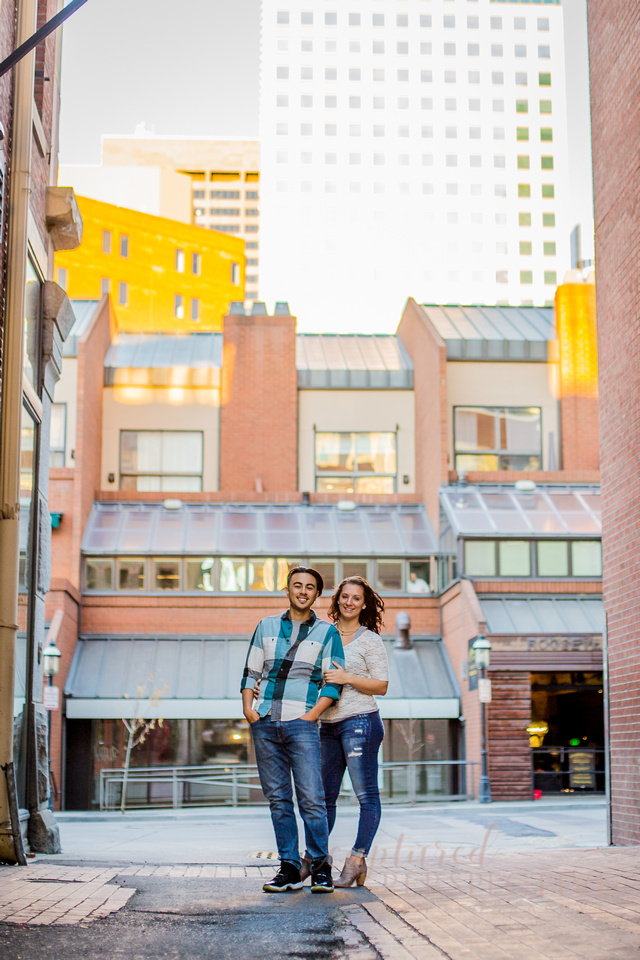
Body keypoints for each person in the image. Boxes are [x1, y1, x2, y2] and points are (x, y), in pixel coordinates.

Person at [241, 566, 344, 894]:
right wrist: (248, 710)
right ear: (287, 590)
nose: (303, 591)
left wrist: (310, 716)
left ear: (316, 595)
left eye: (309, 587)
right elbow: (251, 670)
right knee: (278, 799)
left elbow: (333, 684)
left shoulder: (328, 633)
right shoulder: (266, 626)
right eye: (297, 585)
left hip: (302, 724)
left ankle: (320, 868)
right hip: (266, 722)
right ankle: (287, 868)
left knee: (313, 798)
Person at [319, 576, 389, 888]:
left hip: (361, 721)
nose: (349, 602)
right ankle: (316, 857)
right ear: (337, 601)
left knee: (366, 795)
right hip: (327, 725)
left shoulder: (370, 640)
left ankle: (357, 859)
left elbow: (382, 685)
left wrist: (346, 677)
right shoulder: (323, 635)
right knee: (323, 799)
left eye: (356, 598)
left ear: (364, 604)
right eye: (344, 597)